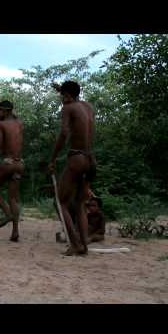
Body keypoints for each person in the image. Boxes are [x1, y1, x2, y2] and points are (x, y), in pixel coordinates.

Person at [49, 81, 97, 256]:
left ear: (67, 96)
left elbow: (64, 134)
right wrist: (61, 89)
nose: (61, 100)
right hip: (91, 160)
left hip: (77, 158)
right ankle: (83, 245)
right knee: (79, 203)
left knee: (60, 202)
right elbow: (73, 96)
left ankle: (75, 244)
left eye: (62, 96)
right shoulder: (87, 106)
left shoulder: (68, 108)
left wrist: (53, 158)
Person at [0, 99, 24, 242]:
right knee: (13, 198)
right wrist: (0, 103)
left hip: (7, 163)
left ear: (6, 111)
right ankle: (15, 232)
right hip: (20, 163)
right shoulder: (19, 123)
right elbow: (13, 116)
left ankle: (7, 214)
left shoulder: (0, 124)